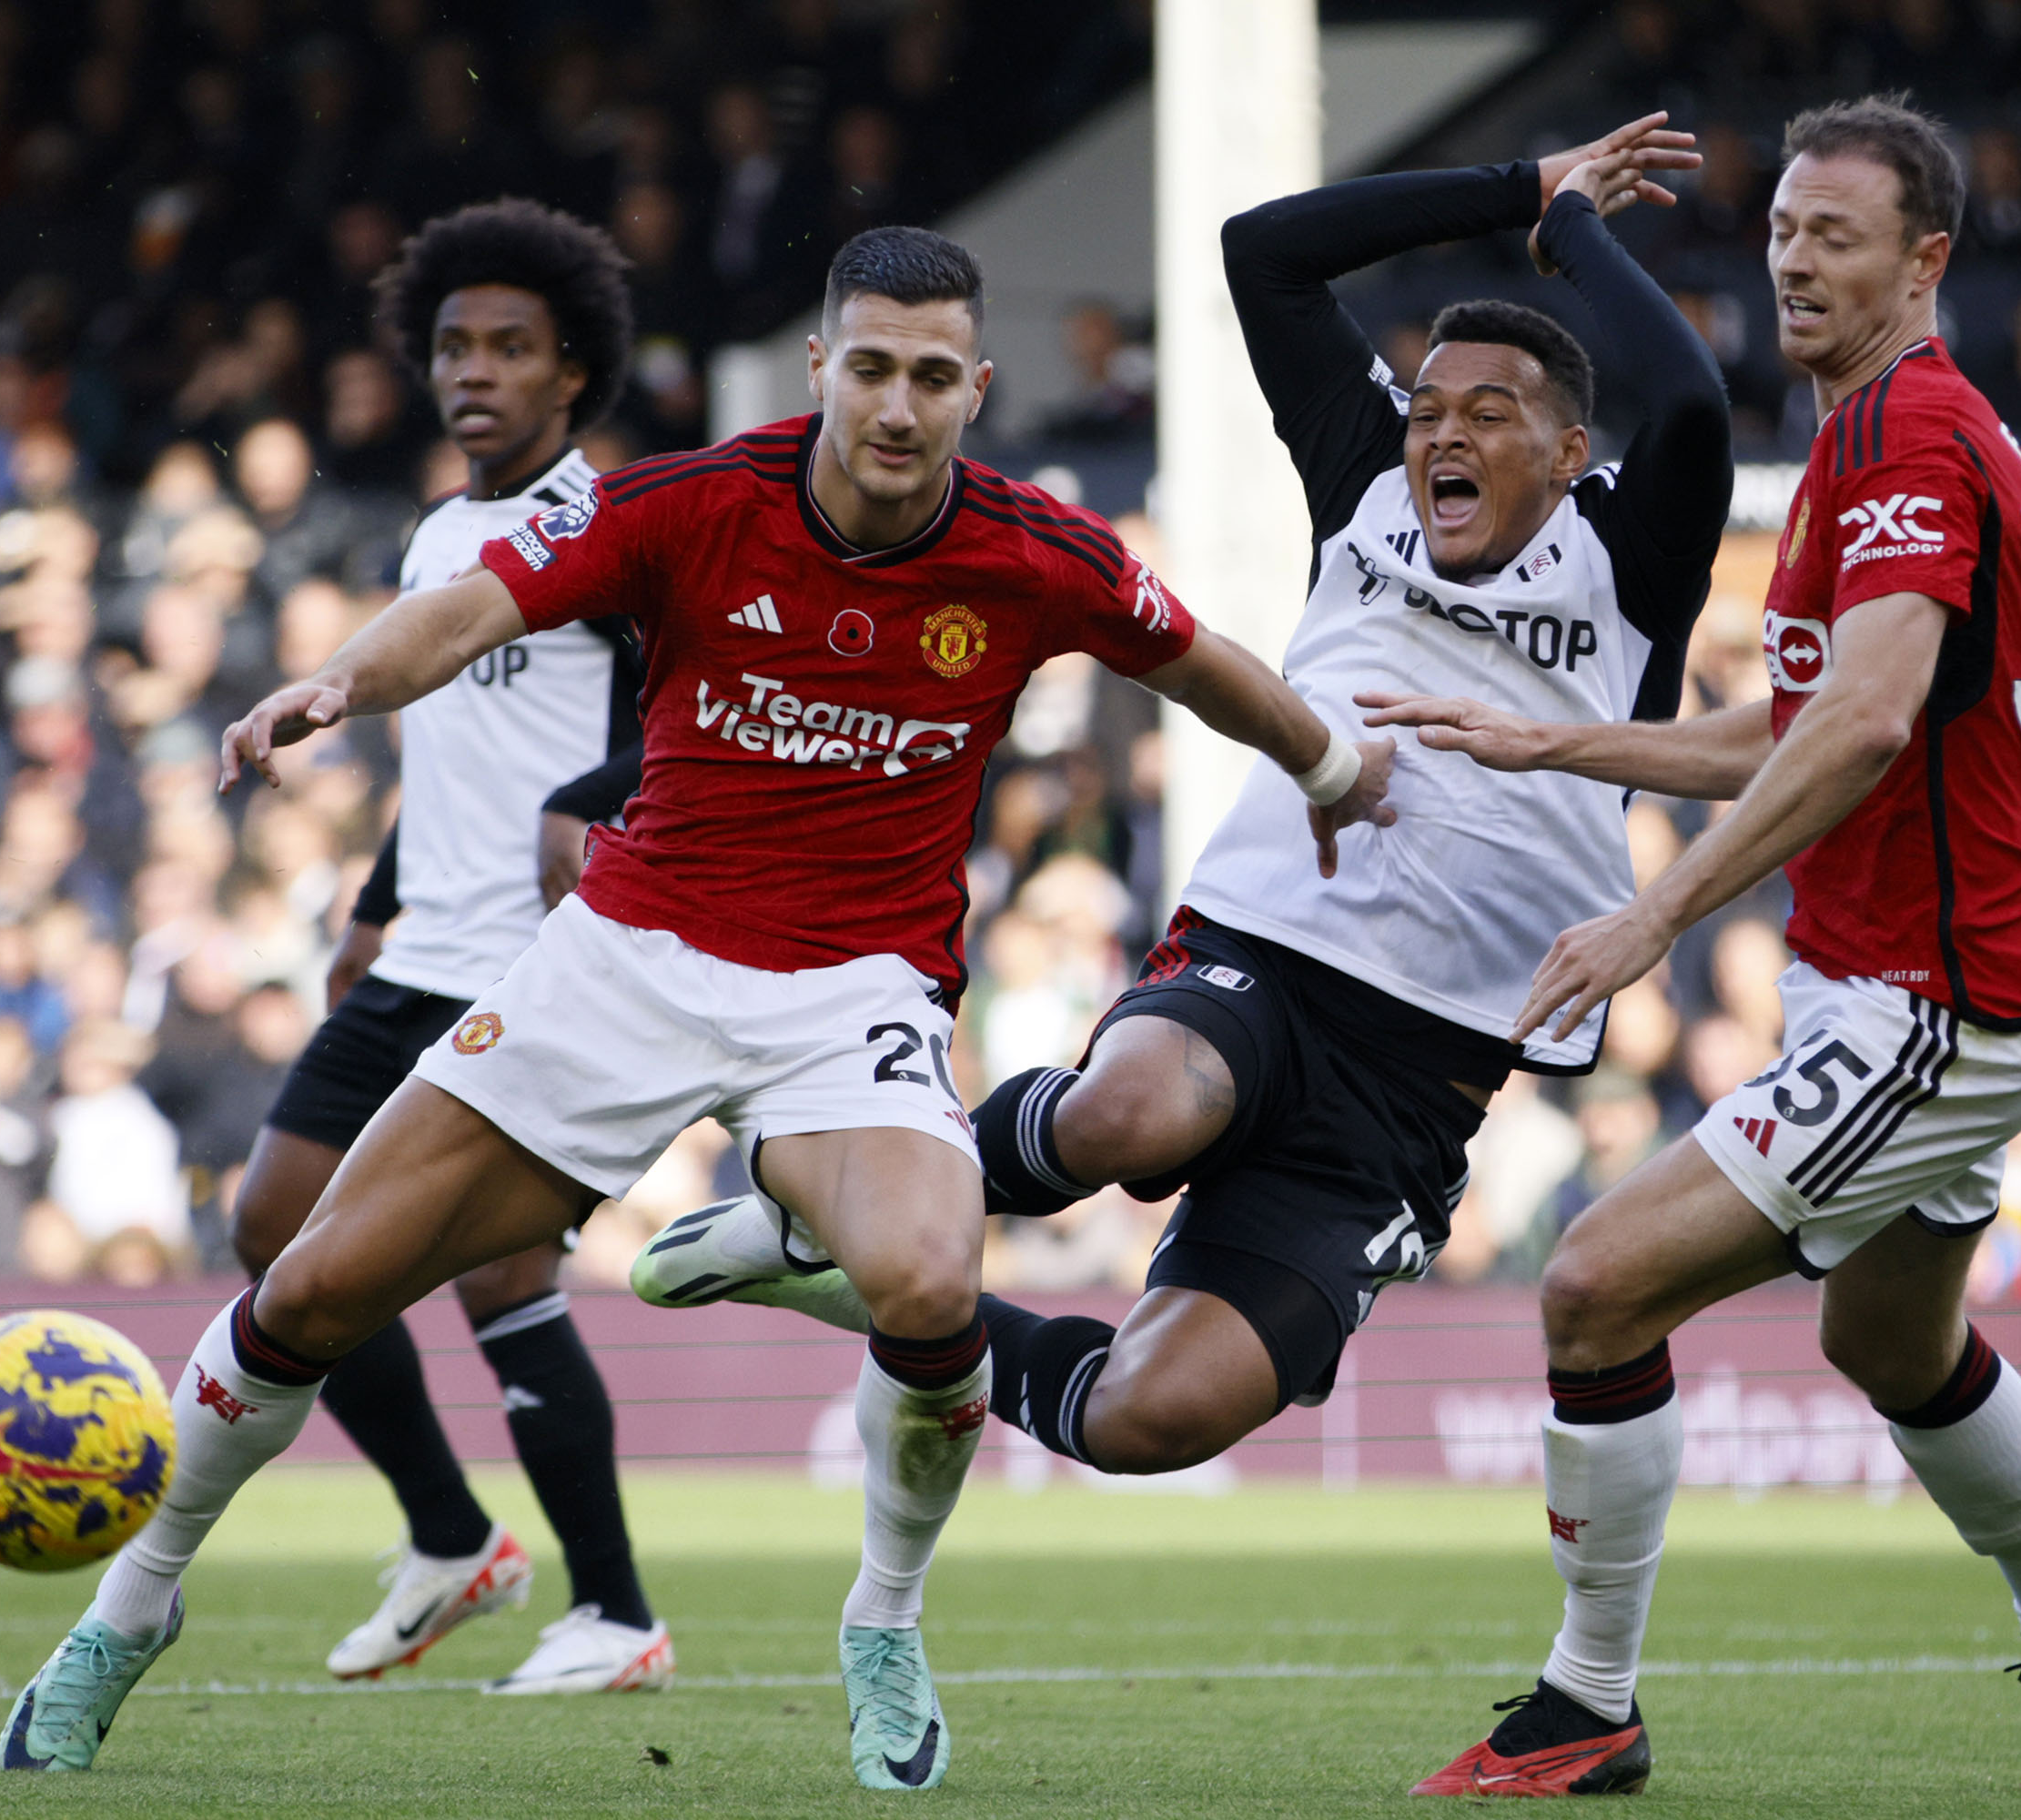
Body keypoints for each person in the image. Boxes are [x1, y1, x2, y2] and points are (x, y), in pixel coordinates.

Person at [0, 225, 1392, 1794]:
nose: (897, 405)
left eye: (934, 377)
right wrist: (343, 684)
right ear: (821, 369)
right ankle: (133, 1604)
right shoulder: (692, 500)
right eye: (869, 367)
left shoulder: (1032, 551)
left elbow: (1199, 661)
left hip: (853, 992)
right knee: (315, 1291)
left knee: (932, 1287)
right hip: (625, 961)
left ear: (976, 390)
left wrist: (1335, 769)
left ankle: (881, 1618)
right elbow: (474, 606)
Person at [637, 116, 1728, 1521]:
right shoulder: (1366, 493)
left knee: (1148, 1421)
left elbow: (1691, 402)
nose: (1440, 435)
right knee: (1132, 1112)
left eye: (1488, 415)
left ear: (1572, 449)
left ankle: (844, 1281)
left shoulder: (1629, 559)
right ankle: (849, 1195)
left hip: (1422, 1073)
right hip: (1270, 947)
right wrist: (1523, 184)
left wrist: (1573, 231)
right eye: (1427, 411)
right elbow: (1262, 254)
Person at [1369, 96, 2021, 1797]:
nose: (1797, 261)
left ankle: (1590, 1703)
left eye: (1839, 236)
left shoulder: (1912, 435)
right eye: (1784, 230)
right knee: (1887, 1348)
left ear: (1926, 261)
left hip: (1933, 1000)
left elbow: (1867, 725)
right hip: (1917, 979)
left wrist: (1656, 912)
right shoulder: (1875, 437)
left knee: (1594, 1281)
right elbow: (1796, 721)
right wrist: (1560, 741)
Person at [221, 197, 672, 1697]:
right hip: (424, 955)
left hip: (547, 962)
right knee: (276, 1231)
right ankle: (447, 1539)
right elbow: (451, 754)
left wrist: (588, 800)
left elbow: (691, 719)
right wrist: (368, 908)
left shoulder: (613, 526)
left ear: (572, 373)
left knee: (498, 1281)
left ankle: (615, 1614)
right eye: (454, 344)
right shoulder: (439, 534)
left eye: (511, 347)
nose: (475, 369)